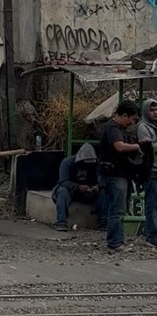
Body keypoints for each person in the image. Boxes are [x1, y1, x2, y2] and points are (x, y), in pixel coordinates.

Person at [98, 100, 141, 252]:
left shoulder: (122, 129)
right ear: (124, 115)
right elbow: (120, 147)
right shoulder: (112, 128)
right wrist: (138, 146)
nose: (132, 122)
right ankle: (115, 243)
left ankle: (118, 240)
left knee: (121, 209)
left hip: (122, 174)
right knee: (116, 210)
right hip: (114, 174)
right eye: (132, 119)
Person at [51, 142, 106, 232]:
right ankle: (61, 222)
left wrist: (97, 186)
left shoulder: (96, 165)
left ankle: (103, 222)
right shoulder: (67, 163)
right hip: (71, 191)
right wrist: (78, 187)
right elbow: (63, 181)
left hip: (88, 193)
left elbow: (101, 180)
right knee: (62, 191)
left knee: (103, 192)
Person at [136, 98, 157, 246]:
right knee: (152, 205)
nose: (155, 113)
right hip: (151, 171)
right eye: (152, 110)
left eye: (156, 110)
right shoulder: (143, 127)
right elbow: (148, 147)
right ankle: (151, 235)